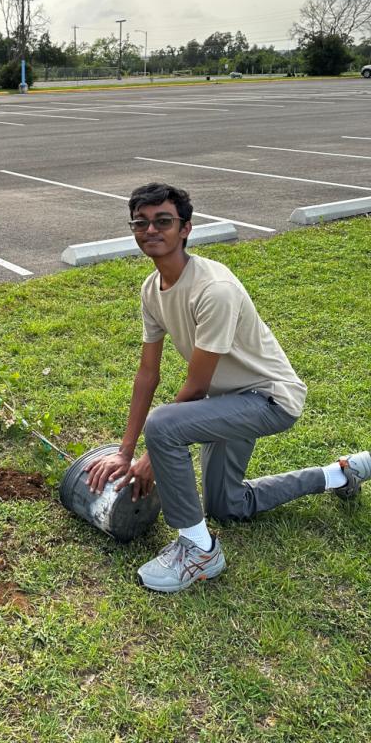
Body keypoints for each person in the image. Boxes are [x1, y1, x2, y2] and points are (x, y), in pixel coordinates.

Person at [85, 182, 370, 594]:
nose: (151, 230)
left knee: (164, 426)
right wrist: (124, 452)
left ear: (185, 228)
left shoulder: (212, 289)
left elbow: (196, 386)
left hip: (269, 399)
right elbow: (148, 373)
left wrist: (150, 457)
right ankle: (341, 474)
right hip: (229, 401)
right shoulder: (153, 289)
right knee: (225, 505)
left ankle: (200, 552)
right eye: (141, 223)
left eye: (163, 221)